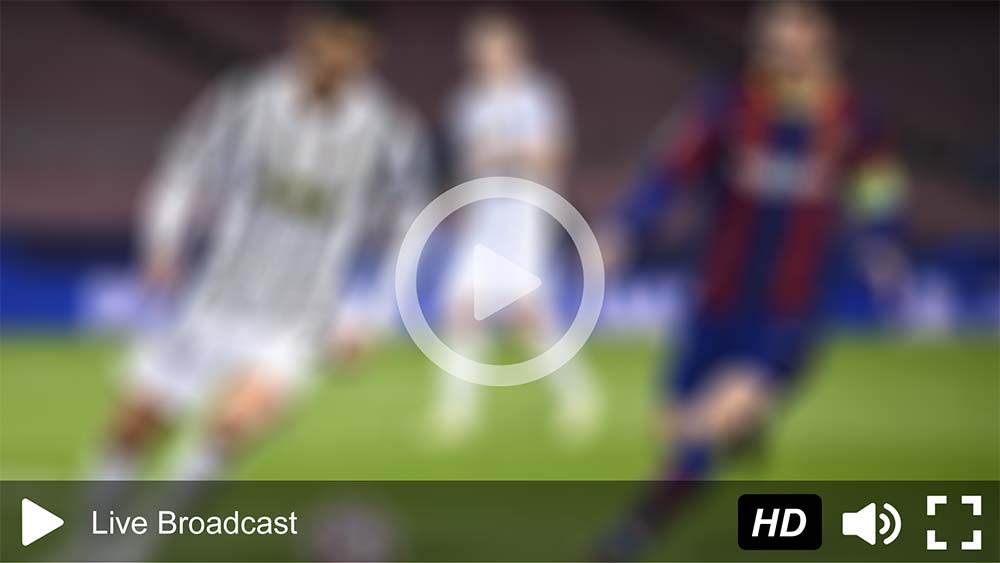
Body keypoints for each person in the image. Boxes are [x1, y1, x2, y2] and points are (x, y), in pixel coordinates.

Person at [597, 2, 906, 559]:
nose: (783, 47)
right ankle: (733, 440)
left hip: (789, 311)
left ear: (825, 39)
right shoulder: (727, 108)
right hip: (715, 302)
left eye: (796, 33)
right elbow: (670, 171)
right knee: (674, 433)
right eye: (773, 37)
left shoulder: (853, 119)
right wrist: (626, 228)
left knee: (706, 426)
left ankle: (629, 536)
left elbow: (878, 187)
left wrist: (882, 243)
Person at [94, 2, 427, 496]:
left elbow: (409, 225)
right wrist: (162, 245)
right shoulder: (248, 99)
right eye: (330, 39)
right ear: (306, 36)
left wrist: (371, 314)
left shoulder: (387, 130)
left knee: (234, 424)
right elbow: (183, 169)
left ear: (367, 53)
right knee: (133, 427)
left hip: (298, 316)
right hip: (216, 298)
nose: (337, 56)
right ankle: (95, 531)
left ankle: (150, 532)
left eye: (351, 46)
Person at [431, 10, 598, 445]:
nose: (486, 58)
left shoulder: (536, 96)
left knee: (527, 314)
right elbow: (464, 164)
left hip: (524, 213)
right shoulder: (467, 103)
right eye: (479, 51)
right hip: (485, 216)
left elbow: (554, 153)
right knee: (461, 307)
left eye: (493, 49)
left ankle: (578, 396)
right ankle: (457, 412)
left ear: (514, 51)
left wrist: (509, 152)